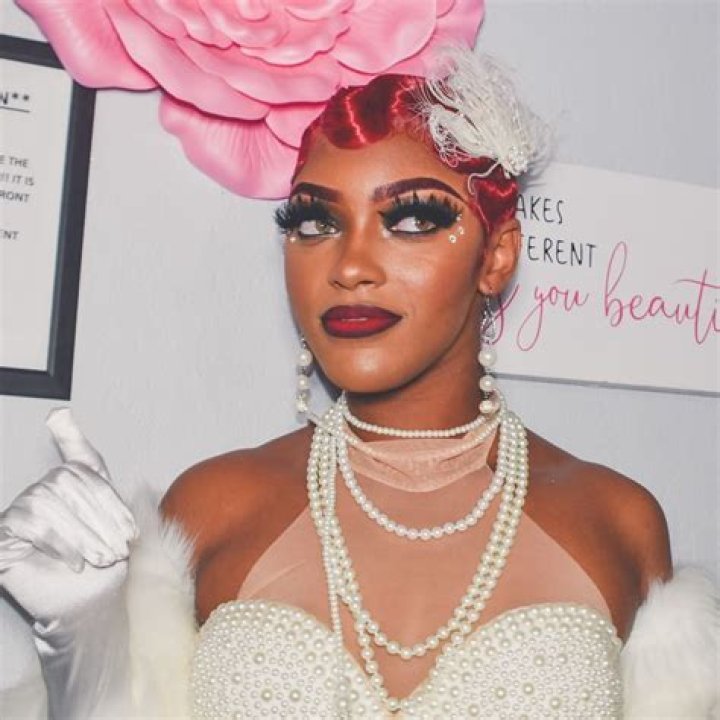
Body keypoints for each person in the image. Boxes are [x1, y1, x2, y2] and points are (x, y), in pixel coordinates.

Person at [1, 49, 718, 720]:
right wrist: (80, 636)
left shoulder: (615, 521)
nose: (349, 266)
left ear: (497, 257)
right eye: (315, 222)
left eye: (412, 219)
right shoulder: (212, 507)